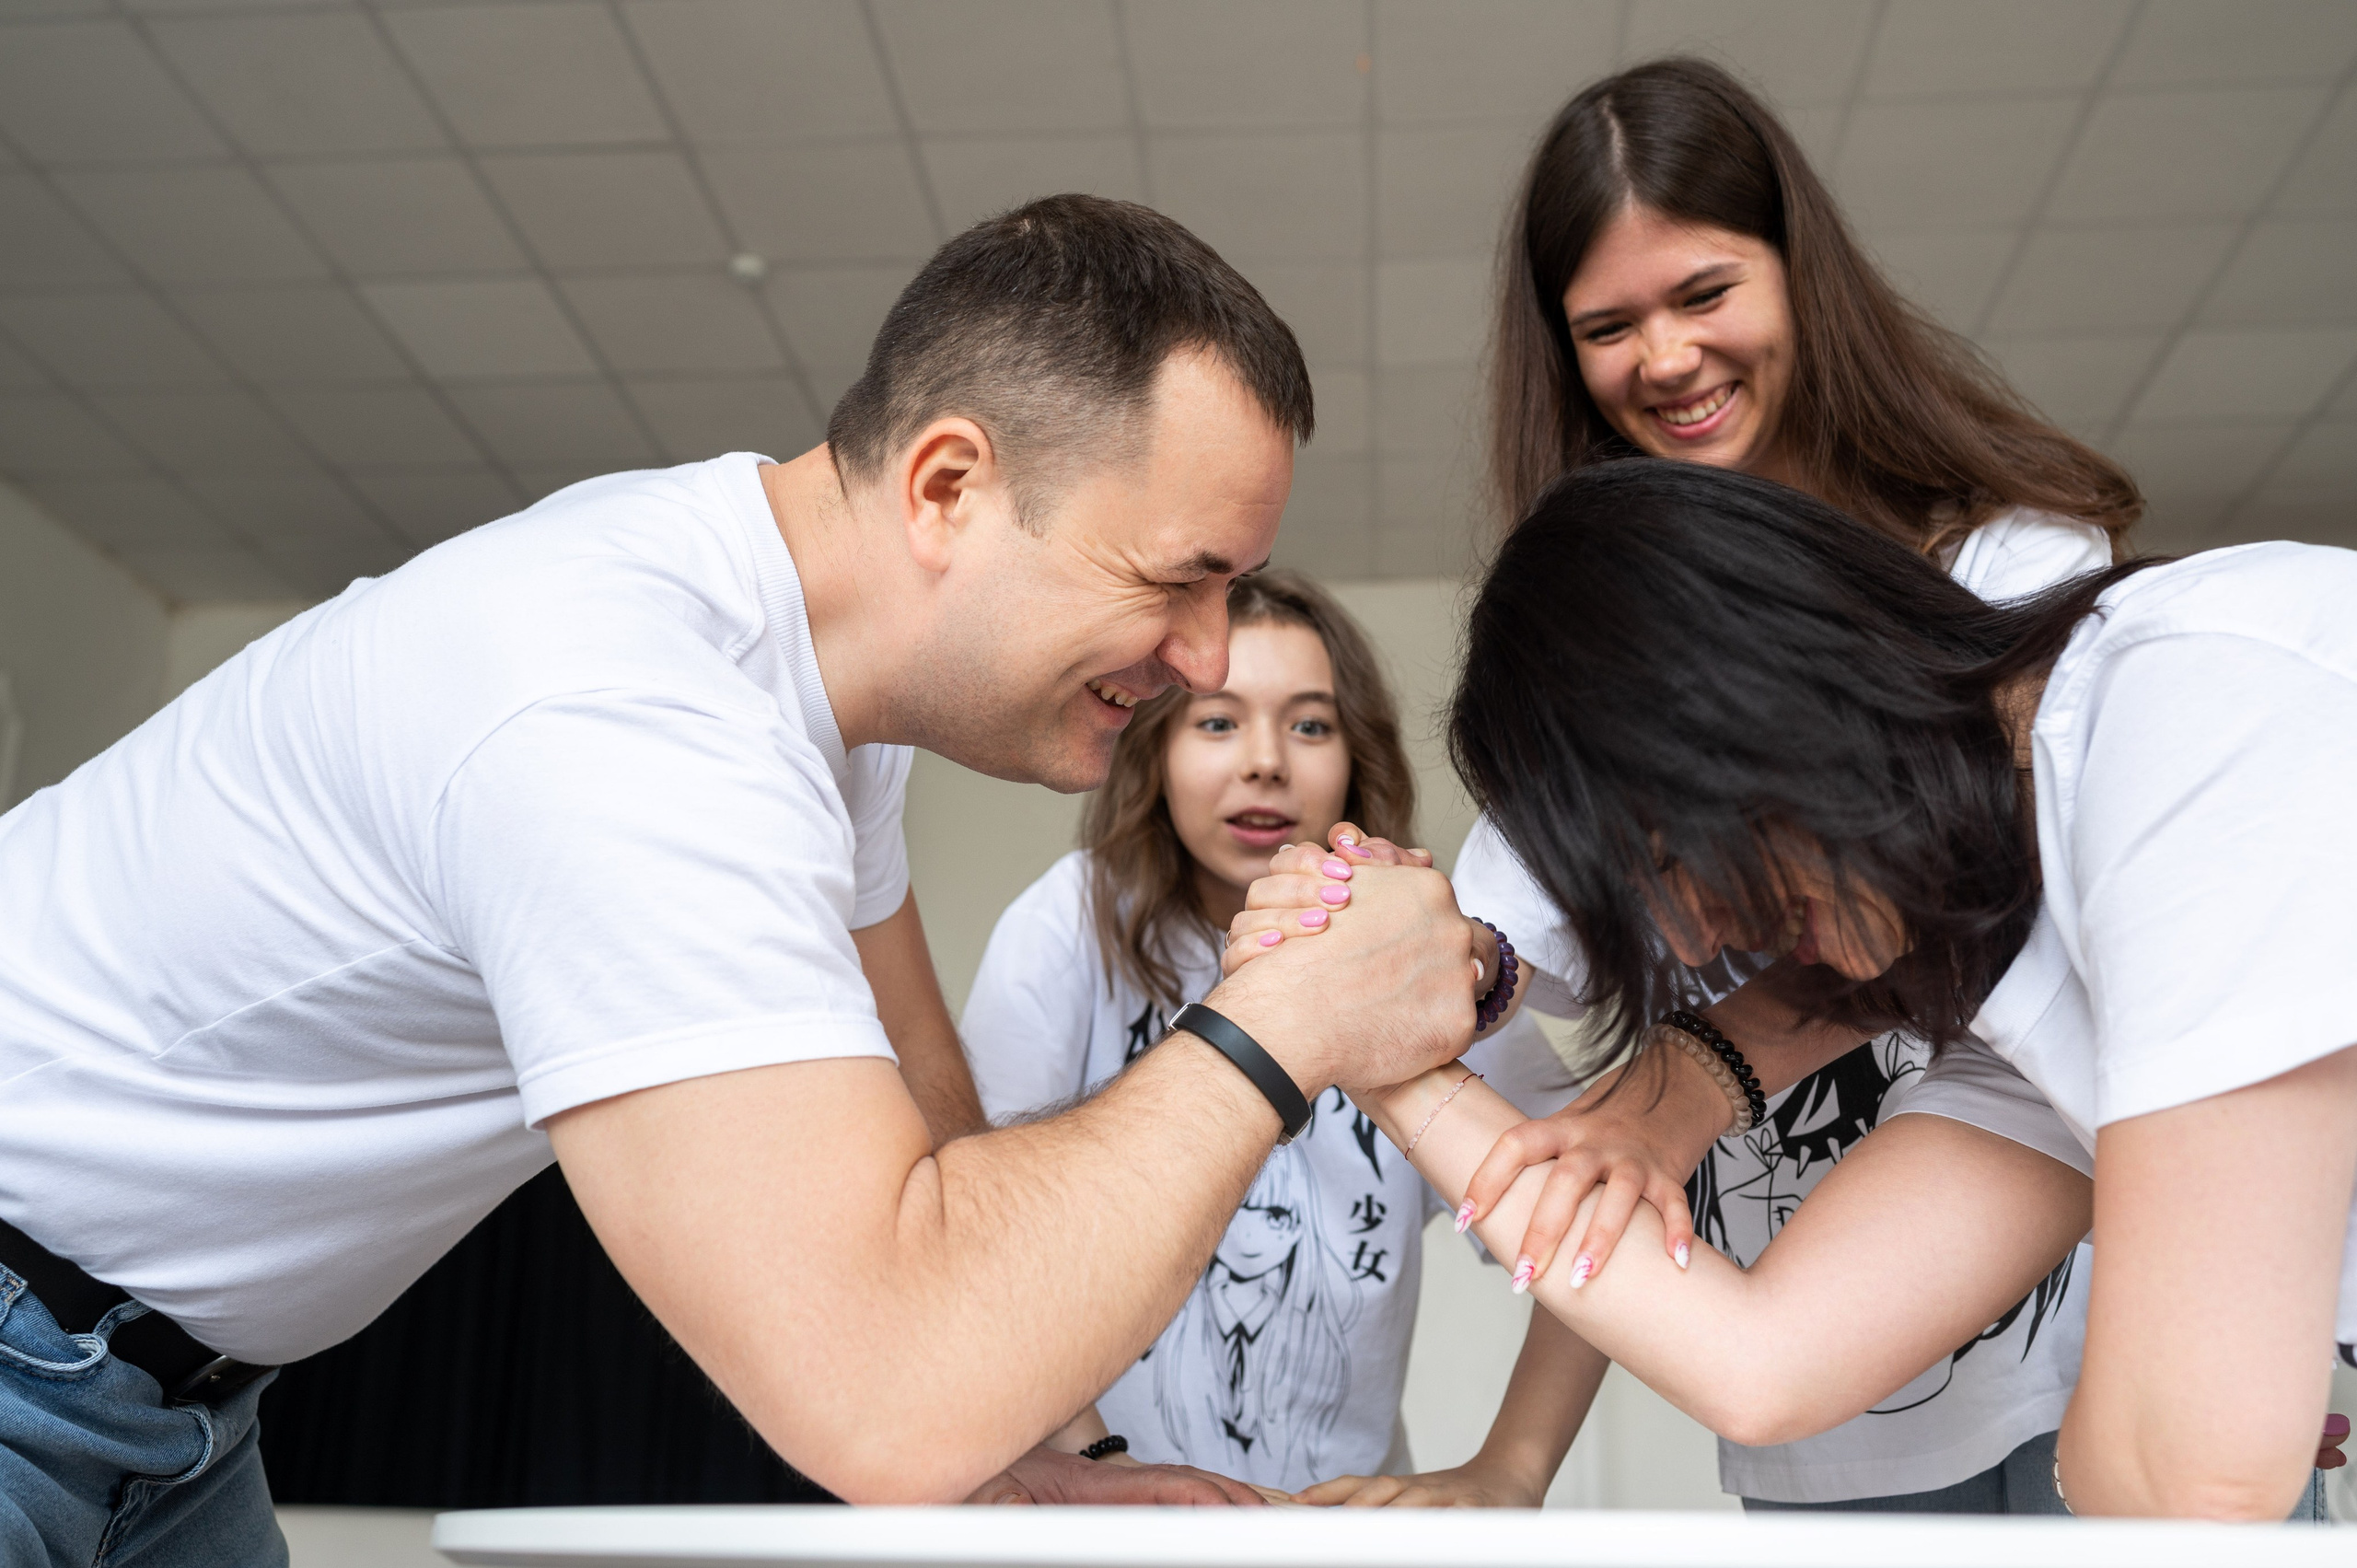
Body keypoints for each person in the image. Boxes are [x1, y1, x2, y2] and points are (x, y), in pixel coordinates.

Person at [0, 195, 1492, 1562]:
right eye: (1177, 576)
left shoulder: (804, 684)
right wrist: (1283, 1021)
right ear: (950, 486)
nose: (1209, 656)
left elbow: (920, 1097)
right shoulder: (624, 719)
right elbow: (886, 1388)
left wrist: (1040, 1452)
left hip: (163, 1390)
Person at [1232, 457, 2355, 1520]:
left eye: (1671, 860)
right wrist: (1363, 1038)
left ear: (1767, 698)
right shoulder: (2020, 1012)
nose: (1689, 933)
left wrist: (2144, 1424)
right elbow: (1759, 1360)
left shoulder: (2196, 706)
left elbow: (2190, 1476)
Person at [1446, 55, 2144, 1511]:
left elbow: (1978, 920)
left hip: (2097, 1345)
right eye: (1609, 326)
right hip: (1829, 1424)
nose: (1667, 357)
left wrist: (1692, 1074)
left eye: (1705, 293)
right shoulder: (1593, 705)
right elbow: (1537, 1097)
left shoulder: (2023, 604)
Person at [962, 572, 1589, 1504]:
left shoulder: (1414, 947)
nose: (1265, 761)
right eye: (1216, 721)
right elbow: (977, 1239)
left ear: (1352, 755)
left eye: (1308, 723)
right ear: (1156, 746)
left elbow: (1590, 1215)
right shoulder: (1070, 922)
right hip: (1102, 1528)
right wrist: (1100, 1467)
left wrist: (1512, 1467)